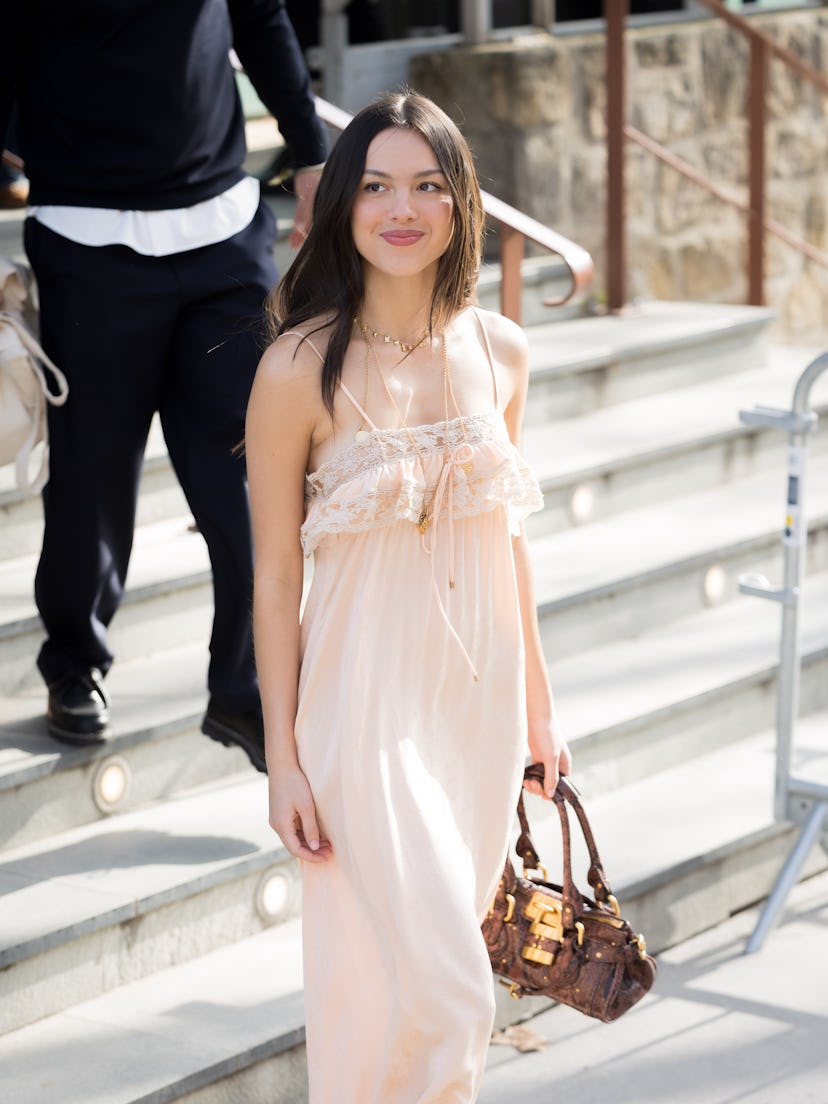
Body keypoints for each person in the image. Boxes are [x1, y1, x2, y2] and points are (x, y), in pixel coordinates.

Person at [246, 90, 572, 1103]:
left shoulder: (501, 350)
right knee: (448, 989)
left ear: (459, 202)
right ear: (340, 204)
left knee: (384, 989)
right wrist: (285, 759)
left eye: (428, 185)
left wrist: (540, 716)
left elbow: (508, 543)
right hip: (361, 710)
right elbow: (272, 576)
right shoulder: (296, 368)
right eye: (377, 185)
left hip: (472, 711)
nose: (403, 208)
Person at [0, 1, 328, 769]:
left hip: (222, 234)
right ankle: (76, 662)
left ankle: (245, 687)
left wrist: (310, 150)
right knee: (89, 481)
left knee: (253, 476)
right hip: (88, 242)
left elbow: (261, 15)